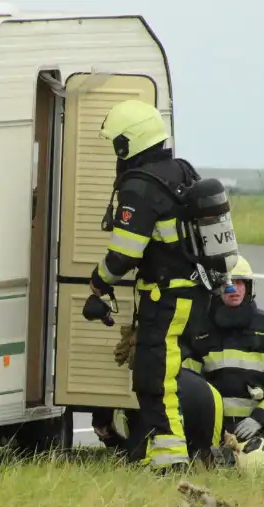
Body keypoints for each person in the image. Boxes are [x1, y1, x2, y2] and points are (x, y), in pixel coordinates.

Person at [90, 99, 219, 474]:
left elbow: (124, 254)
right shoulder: (180, 171)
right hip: (186, 293)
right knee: (158, 374)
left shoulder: (140, 186)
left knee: (156, 378)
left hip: (167, 297)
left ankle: (171, 459)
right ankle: (166, 452)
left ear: (129, 143)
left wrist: (97, 283)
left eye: (117, 143)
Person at [180, 255, 264, 443]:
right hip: (210, 431)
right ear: (215, 289)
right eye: (227, 283)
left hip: (253, 432)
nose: (234, 289)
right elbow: (189, 384)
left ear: (249, 287)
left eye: (240, 283)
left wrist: (259, 419)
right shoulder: (199, 330)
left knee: (254, 466)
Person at [100, 367, 264, 473]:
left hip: (197, 398)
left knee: (208, 461)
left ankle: (245, 461)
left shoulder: (127, 407)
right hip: (204, 393)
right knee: (206, 456)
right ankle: (237, 457)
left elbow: (136, 455)